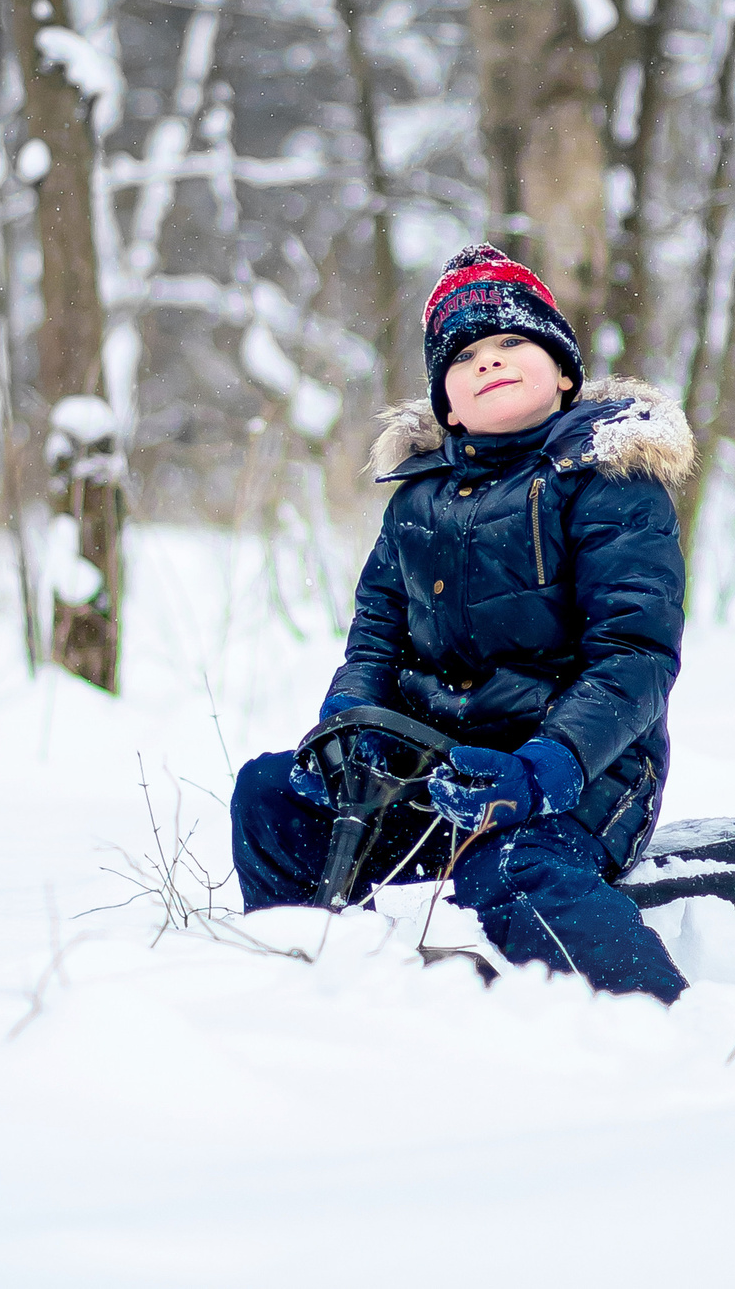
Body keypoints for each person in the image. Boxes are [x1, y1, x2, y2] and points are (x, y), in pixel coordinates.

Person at [229, 244, 693, 1002]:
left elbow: (634, 655)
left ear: (564, 371)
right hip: (429, 771)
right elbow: (375, 639)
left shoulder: (610, 482)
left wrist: (545, 768)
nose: (490, 361)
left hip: (583, 776)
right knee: (271, 796)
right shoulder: (416, 502)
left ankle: (650, 1012)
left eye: (512, 341)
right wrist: (349, 727)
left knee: (508, 865)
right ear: (446, 404)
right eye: (465, 356)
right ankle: (312, 984)